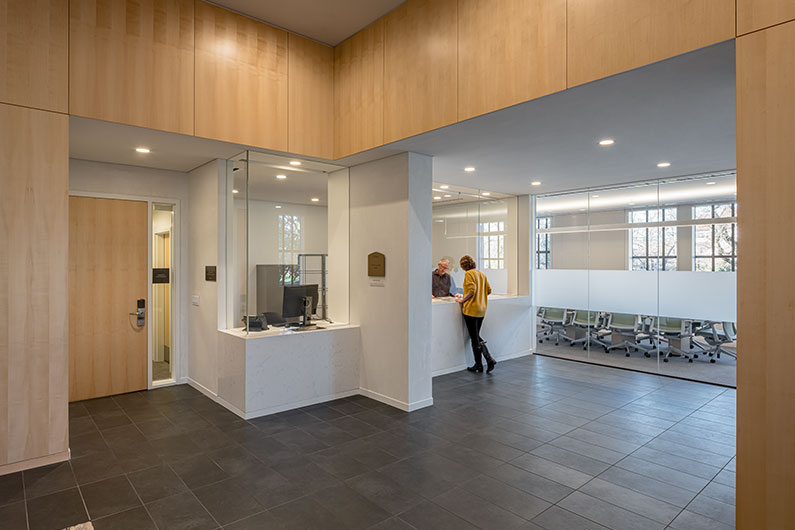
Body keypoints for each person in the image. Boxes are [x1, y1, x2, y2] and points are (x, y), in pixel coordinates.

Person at [457, 255, 496, 373]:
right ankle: (485, 361)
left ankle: (483, 362)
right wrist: (480, 297)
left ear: (463, 266)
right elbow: (489, 290)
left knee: (474, 337)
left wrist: (462, 300)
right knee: (475, 335)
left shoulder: (468, 274)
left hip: (471, 310)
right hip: (482, 309)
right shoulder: (481, 274)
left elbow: (471, 290)